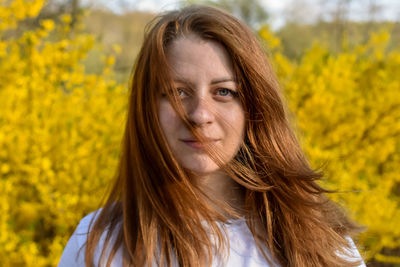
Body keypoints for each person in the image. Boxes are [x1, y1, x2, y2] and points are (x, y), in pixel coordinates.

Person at [58, 4, 365, 267]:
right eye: (177, 92)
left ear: (254, 107)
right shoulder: (99, 244)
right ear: (146, 107)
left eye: (223, 92)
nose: (199, 115)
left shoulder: (317, 239)